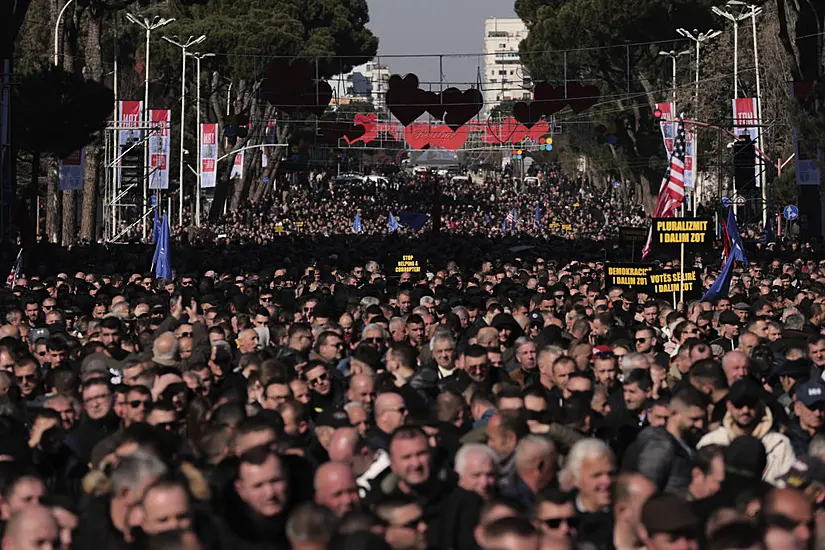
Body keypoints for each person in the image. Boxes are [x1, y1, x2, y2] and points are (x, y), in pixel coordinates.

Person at [697, 378, 795, 484]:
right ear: (729, 405)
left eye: (750, 404)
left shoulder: (780, 444)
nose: (745, 411)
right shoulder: (711, 441)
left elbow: (787, 486)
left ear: (758, 405)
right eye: (739, 405)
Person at [622, 387, 708, 497]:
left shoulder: (687, 442)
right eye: (694, 419)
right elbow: (646, 489)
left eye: (702, 419)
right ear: (674, 413)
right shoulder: (661, 446)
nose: (700, 425)